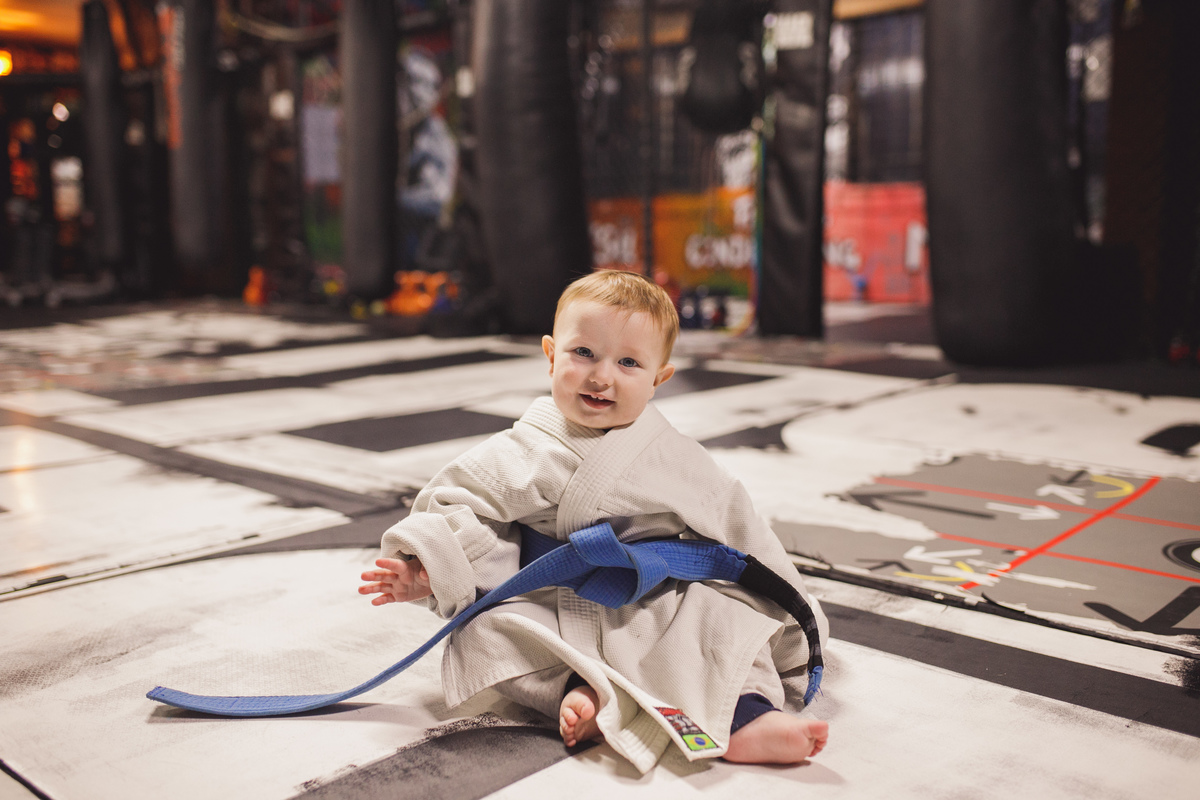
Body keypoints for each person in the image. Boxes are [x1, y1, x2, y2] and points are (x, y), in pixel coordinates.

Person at [358, 270, 829, 772]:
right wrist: (428, 565)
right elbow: (456, 502)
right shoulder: (524, 448)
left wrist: (798, 615)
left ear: (658, 378)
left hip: (653, 599)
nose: (602, 376)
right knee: (485, 632)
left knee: (720, 623)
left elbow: (740, 532)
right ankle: (576, 692)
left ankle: (748, 718)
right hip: (547, 601)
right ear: (551, 355)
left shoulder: (676, 458)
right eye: (583, 353)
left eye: (628, 362)